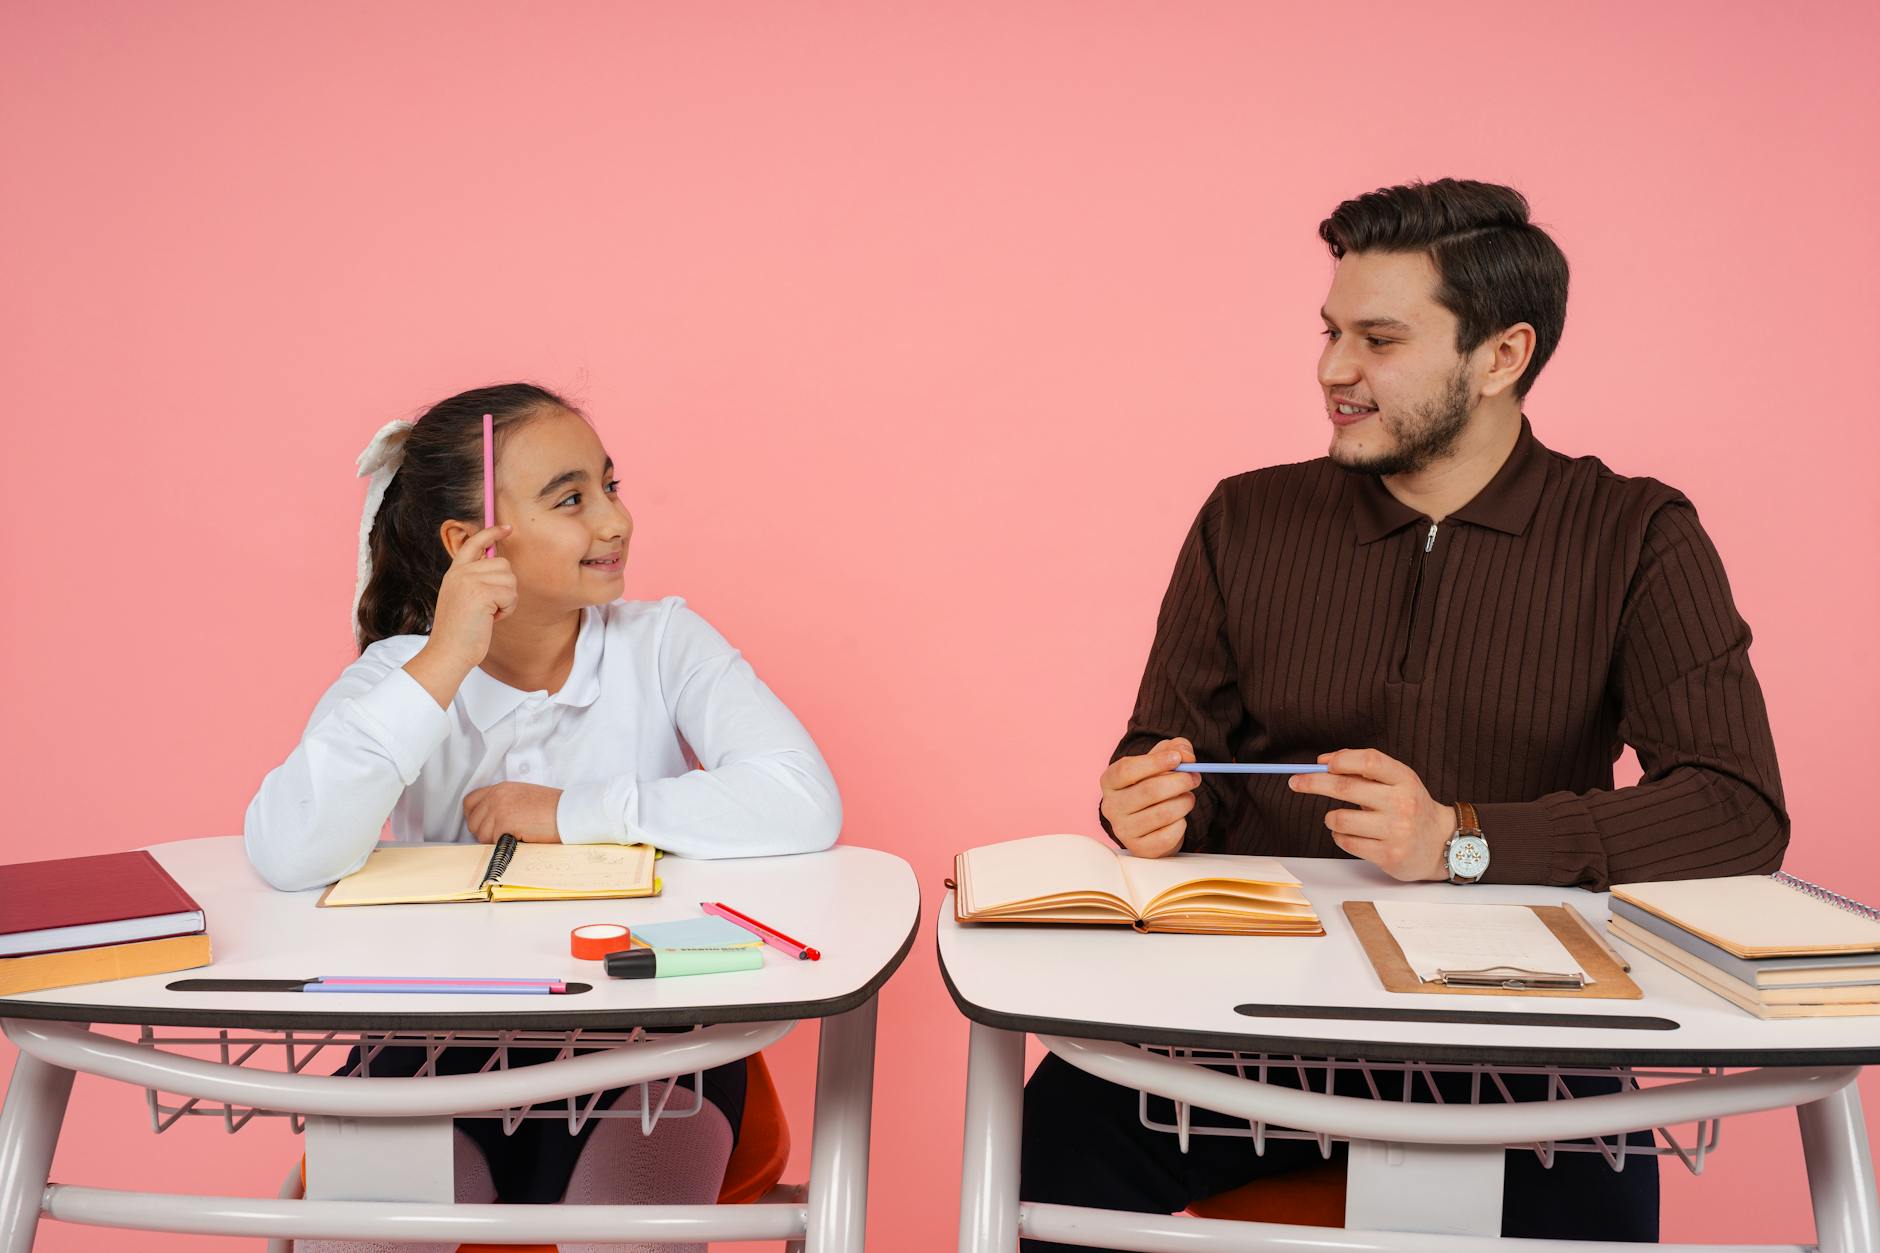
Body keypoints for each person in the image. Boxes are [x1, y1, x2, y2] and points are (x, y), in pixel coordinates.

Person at [1020, 179, 1787, 1246]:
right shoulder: (1245, 517)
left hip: (1521, 1054)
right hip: (1235, 1034)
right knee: (1031, 1163)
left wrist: (1460, 840)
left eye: (1378, 338)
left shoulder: (1634, 534)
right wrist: (1146, 802)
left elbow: (1735, 807)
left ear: (1500, 356)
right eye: (1330, 331)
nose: (1333, 369)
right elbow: (1171, 755)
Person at [245, 381, 841, 1253]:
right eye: (571, 499)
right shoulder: (399, 679)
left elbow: (803, 798)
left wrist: (575, 811)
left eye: (610, 485)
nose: (615, 520)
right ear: (470, 541)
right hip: (433, 1053)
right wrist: (445, 659)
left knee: (626, 1219)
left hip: (655, 1054)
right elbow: (290, 847)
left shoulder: (664, 641)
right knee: (368, 1222)